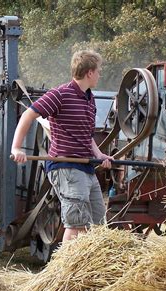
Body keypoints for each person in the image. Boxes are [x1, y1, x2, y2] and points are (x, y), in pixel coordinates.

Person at [11, 49, 112, 242]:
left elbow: (86, 135)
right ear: (89, 72)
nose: (100, 74)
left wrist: (100, 155)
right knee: (77, 224)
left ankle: (88, 269)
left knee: (98, 224)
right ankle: (66, 272)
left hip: (86, 167)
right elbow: (28, 115)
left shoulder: (90, 99)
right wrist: (16, 148)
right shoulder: (60, 94)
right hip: (66, 167)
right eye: (99, 70)